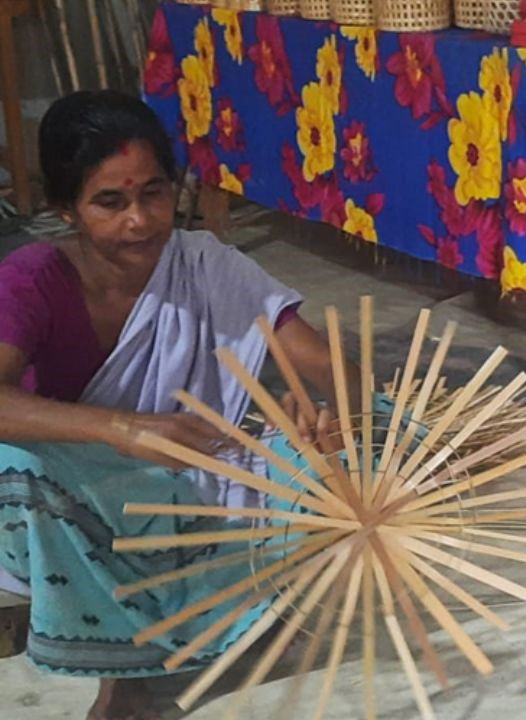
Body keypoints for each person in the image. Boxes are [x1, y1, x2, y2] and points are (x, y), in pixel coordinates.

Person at [0, 91, 350, 720]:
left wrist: (330, 416)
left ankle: (260, 606)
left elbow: (325, 366)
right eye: (111, 201)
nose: (140, 220)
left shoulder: (205, 263)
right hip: (78, 478)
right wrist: (122, 430)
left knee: (347, 450)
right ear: (65, 209)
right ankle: (122, 673)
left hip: (190, 467)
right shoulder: (33, 278)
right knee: (20, 471)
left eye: (154, 193)